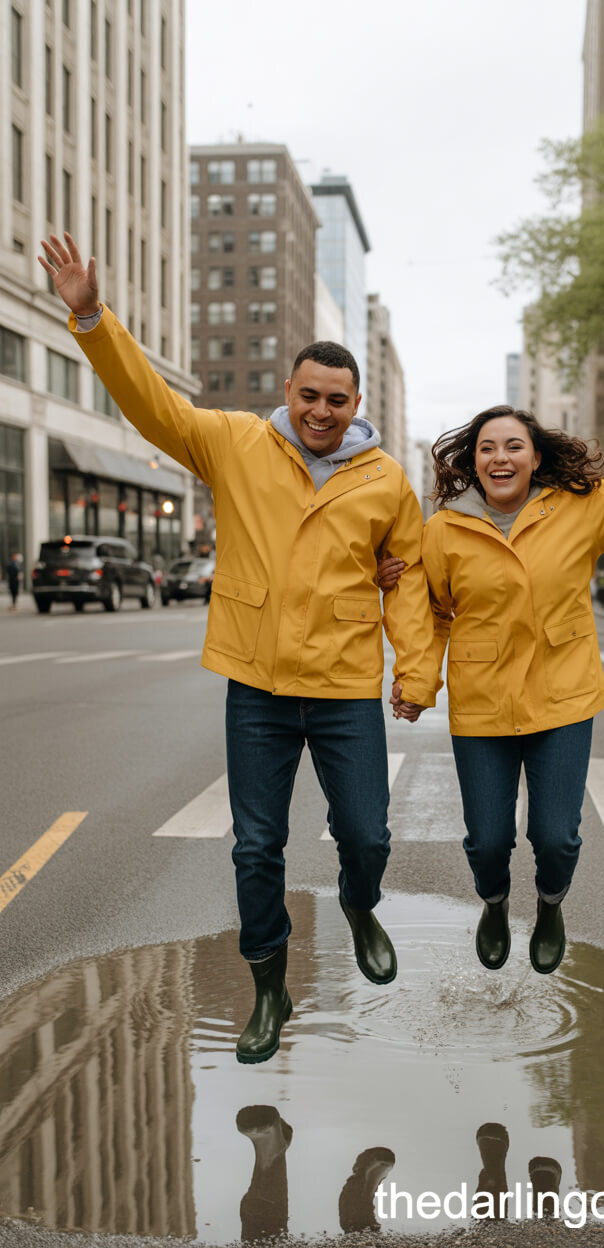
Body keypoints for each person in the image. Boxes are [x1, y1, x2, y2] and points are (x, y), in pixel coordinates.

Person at [39, 232, 438, 1064]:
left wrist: (417, 673)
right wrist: (90, 319)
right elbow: (153, 405)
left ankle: (360, 907)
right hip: (255, 685)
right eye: (309, 395)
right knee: (256, 846)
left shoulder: (387, 481)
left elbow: (406, 577)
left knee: (364, 834)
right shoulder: (234, 443)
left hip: (341, 690)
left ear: (355, 401)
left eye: (337, 399)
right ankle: (269, 986)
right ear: (287, 391)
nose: (321, 411)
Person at [385, 371, 604, 973]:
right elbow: (433, 615)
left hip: (563, 698)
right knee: (488, 839)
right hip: (483, 705)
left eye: (513, 446)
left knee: (556, 836)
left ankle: (549, 905)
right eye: (488, 448)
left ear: (535, 457)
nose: (500, 457)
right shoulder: (443, 529)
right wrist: (418, 684)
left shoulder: (581, 508)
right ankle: (494, 903)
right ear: (473, 461)